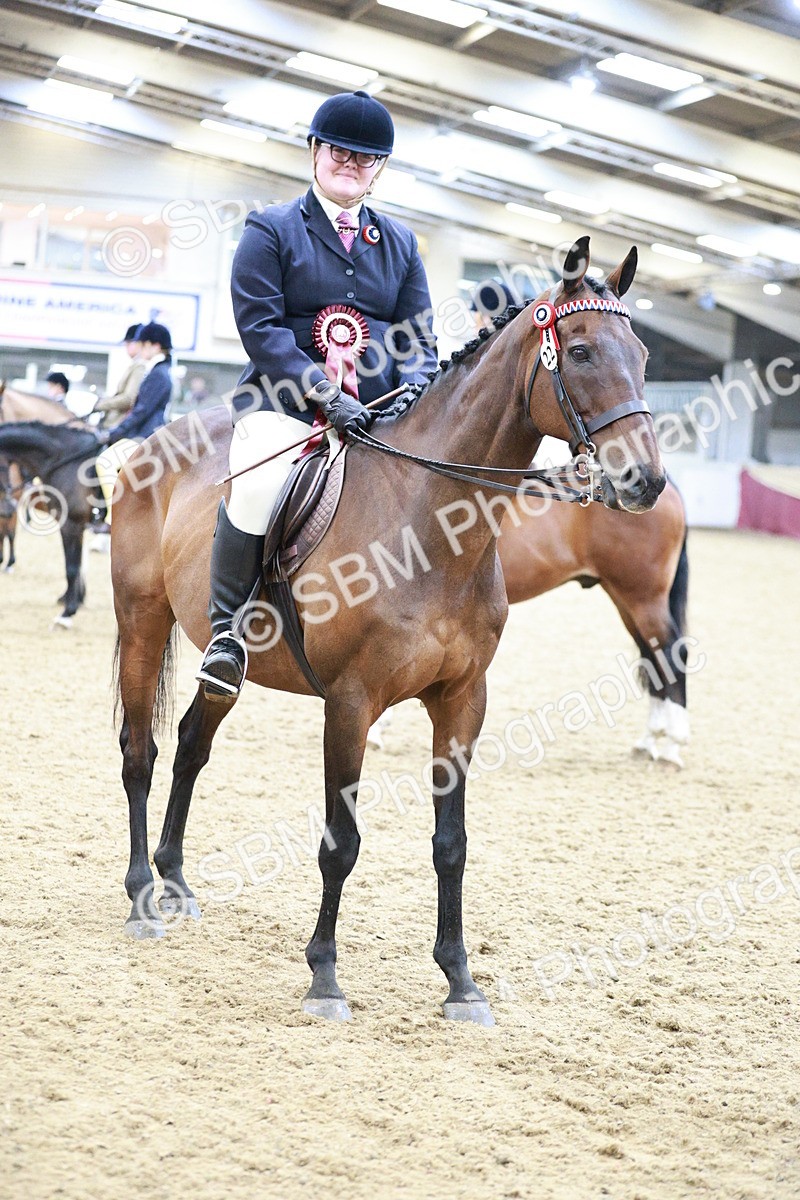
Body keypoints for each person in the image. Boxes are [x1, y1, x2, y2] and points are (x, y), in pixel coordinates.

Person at [196, 88, 439, 698]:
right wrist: (325, 394)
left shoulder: (402, 244)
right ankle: (227, 635)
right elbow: (262, 329)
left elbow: (419, 338)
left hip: (377, 414)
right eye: (339, 151)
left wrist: (413, 392)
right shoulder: (270, 229)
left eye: (365, 157)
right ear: (314, 151)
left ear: (380, 168)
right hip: (283, 405)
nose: (350, 163)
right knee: (257, 483)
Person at [93, 322, 173, 529]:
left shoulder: (158, 374)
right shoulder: (158, 371)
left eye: (144, 345)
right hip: (143, 432)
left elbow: (141, 411)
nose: (140, 349)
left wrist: (115, 432)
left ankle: (114, 518)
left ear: (155, 346)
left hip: (145, 435)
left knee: (105, 462)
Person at [91, 324, 146, 427]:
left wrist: (103, 404)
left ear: (139, 343)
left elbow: (129, 398)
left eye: (128, 343)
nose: (126, 347)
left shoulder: (140, 366)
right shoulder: (136, 365)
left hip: (120, 423)